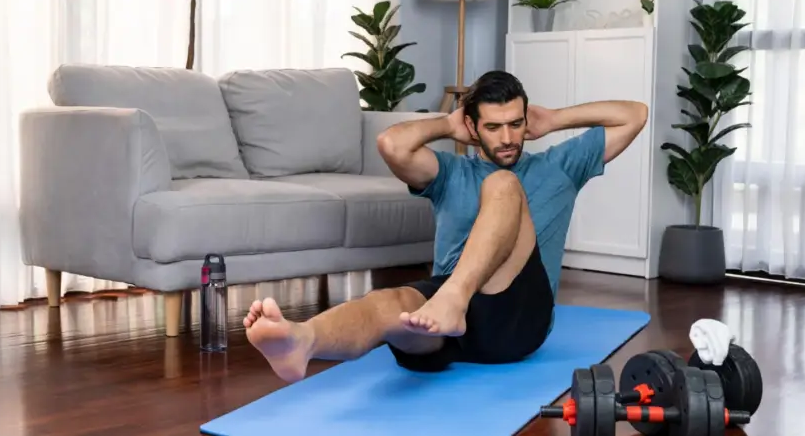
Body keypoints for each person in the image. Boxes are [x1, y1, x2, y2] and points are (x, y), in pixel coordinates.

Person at [242, 70, 648, 383]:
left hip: (520, 316)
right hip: (443, 317)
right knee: (389, 304)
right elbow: (391, 144)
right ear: (472, 128)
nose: (508, 137)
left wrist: (554, 119)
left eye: (515, 124)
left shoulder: (559, 166)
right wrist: (447, 125)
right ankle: (302, 341)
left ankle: (454, 297)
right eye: (492, 126)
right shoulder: (450, 173)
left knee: (503, 184)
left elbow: (634, 115)